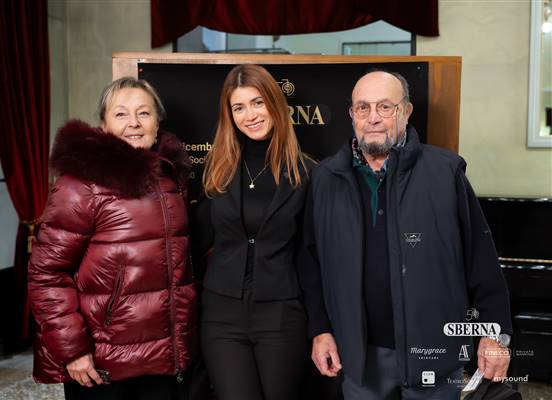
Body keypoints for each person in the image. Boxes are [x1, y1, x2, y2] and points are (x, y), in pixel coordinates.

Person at [300, 70, 513, 399]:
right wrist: (320, 330)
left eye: (385, 107)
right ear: (352, 114)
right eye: (363, 108)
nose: (373, 118)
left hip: (433, 355)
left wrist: (495, 334)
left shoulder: (446, 172)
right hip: (358, 359)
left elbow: (481, 260)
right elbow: (311, 264)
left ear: (407, 111)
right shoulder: (325, 178)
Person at [28, 77, 196, 400]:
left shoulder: (171, 179)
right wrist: (73, 350)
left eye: (144, 113)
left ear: (157, 123)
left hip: (162, 362)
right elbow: (46, 273)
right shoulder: (79, 185)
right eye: (121, 114)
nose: (134, 123)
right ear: (103, 125)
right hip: (101, 366)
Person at [193, 64, 313, 400]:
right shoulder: (216, 168)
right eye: (239, 107)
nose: (250, 115)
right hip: (221, 316)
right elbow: (195, 243)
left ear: (274, 103)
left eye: (258, 103)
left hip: (281, 315)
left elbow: (312, 255)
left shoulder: (306, 173)